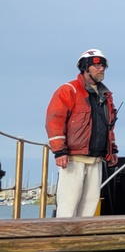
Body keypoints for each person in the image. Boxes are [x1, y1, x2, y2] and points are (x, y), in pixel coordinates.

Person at [45, 49, 119, 217]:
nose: (101, 69)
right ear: (85, 68)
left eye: (103, 66)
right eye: (97, 65)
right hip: (73, 158)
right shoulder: (68, 90)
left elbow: (109, 126)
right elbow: (54, 120)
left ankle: (81, 239)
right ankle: (64, 238)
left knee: (90, 203)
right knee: (69, 202)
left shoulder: (106, 96)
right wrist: (60, 151)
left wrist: (112, 149)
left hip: (96, 159)